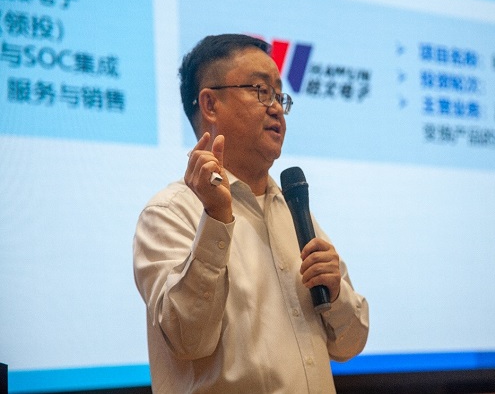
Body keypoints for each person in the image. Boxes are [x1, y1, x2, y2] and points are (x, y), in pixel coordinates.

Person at [133, 33, 369, 393]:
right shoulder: (168, 213)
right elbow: (188, 340)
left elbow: (350, 344)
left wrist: (336, 295)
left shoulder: (293, 209)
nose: (276, 108)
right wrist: (215, 219)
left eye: (279, 95)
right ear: (210, 104)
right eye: (260, 91)